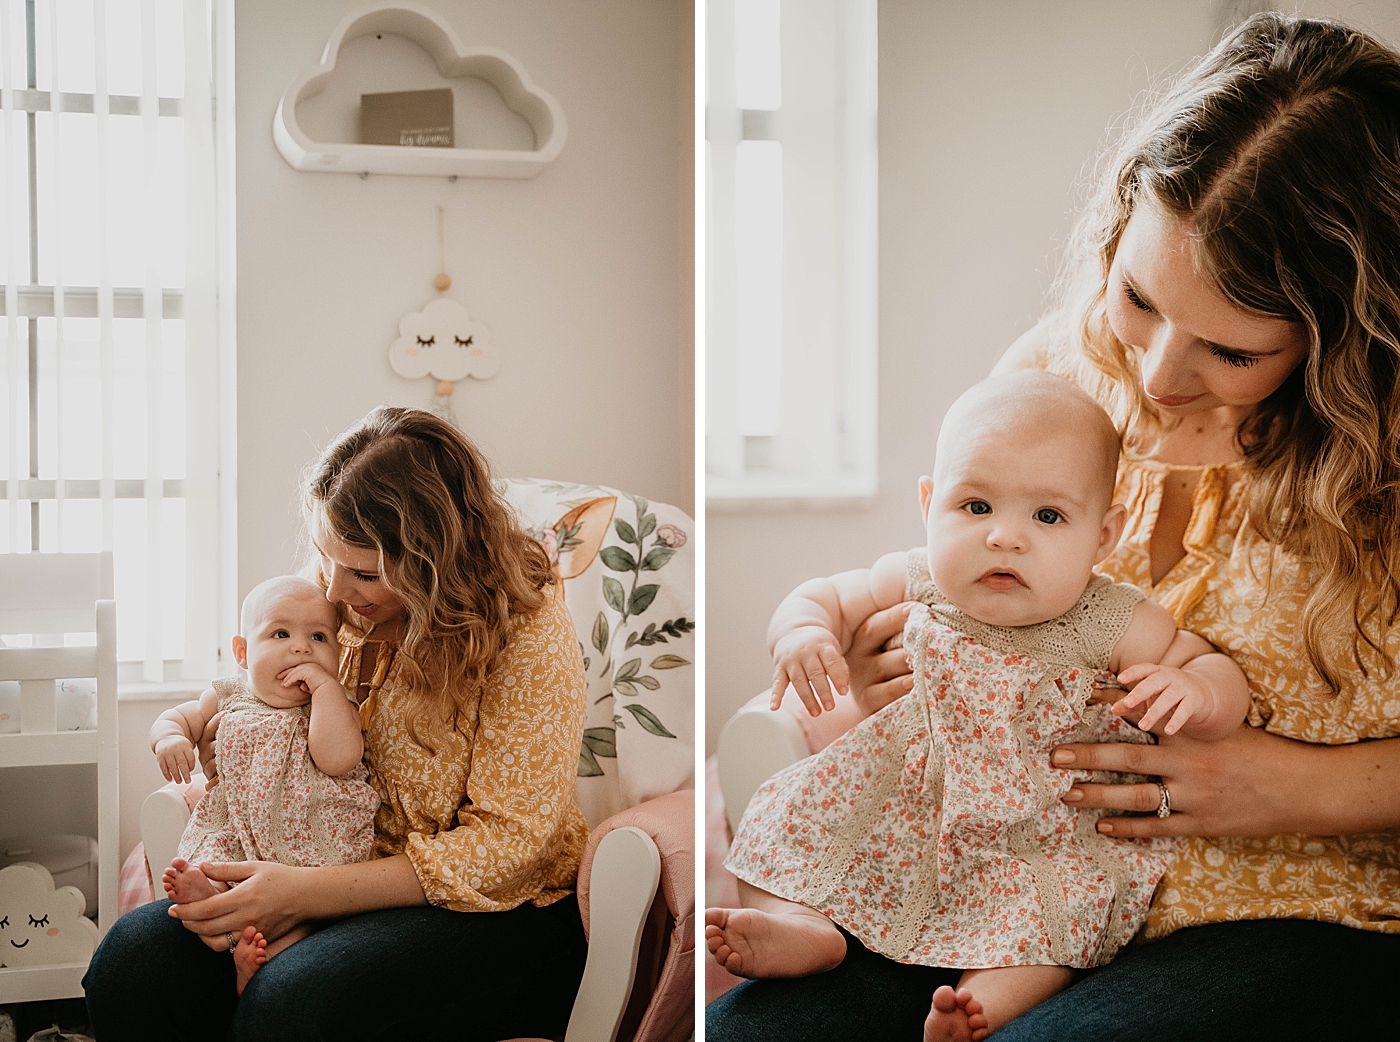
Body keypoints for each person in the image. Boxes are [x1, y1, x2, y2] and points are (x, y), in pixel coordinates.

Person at [707, 12, 1400, 1041]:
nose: (1155, 375)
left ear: (1343, 329)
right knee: (759, 1031)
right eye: (1136, 295)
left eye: (1229, 349)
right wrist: (872, 670)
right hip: (998, 861)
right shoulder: (1059, 366)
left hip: (1287, 908)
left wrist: (1297, 786)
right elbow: (942, 575)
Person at [708, 372, 1250, 1042]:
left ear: (1103, 536)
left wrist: (1198, 693)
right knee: (783, 825)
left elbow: (1207, 666)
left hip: (1036, 838)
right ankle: (804, 928)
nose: (1005, 537)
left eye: (1047, 516)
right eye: (975, 507)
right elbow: (822, 595)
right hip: (905, 807)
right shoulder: (918, 580)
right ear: (930, 503)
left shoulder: (1106, 620)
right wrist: (802, 632)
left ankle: (984, 1005)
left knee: (1047, 929)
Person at [85, 407, 591, 1041]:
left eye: (364, 572)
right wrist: (223, 736)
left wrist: (304, 895)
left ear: (434, 560)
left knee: (293, 1002)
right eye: (326, 557)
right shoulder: (337, 598)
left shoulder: (527, 633)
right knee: (132, 965)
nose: (333, 587)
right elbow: (250, 682)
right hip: (315, 865)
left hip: (490, 913)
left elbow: (510, 848)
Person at [150, 575, 380, 994]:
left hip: (311, 842)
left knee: (314, 920)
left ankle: (259, 969)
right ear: (242, 652)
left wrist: (327, 689)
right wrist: (170, 737)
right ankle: (209, 892)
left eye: (318, 636)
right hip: (241, 831)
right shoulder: (228, 695)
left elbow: (338, 758)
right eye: (280, 633)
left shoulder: (331, 704)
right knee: (216, 862)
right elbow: (178, 718)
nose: (301, 647)